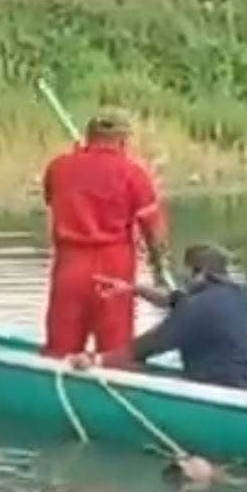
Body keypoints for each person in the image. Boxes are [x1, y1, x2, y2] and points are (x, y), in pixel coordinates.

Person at [42, 110, 167, 358]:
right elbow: (154, 232)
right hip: (114, 266)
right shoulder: (133, 173)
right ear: (123, 141)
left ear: (89, 136)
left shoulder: (58, 167)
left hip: (70, 264)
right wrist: (159, 272)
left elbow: (51, 199)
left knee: (61, 346)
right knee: (115, 349)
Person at [70, 243, 247, 391]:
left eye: (185, 271)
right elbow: (172, 299)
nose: (182, 277)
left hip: (219, 391)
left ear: (199, 272)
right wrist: (132, 289)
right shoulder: (239, 297)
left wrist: (95, 360)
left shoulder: (195, 308)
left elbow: (146, 347)